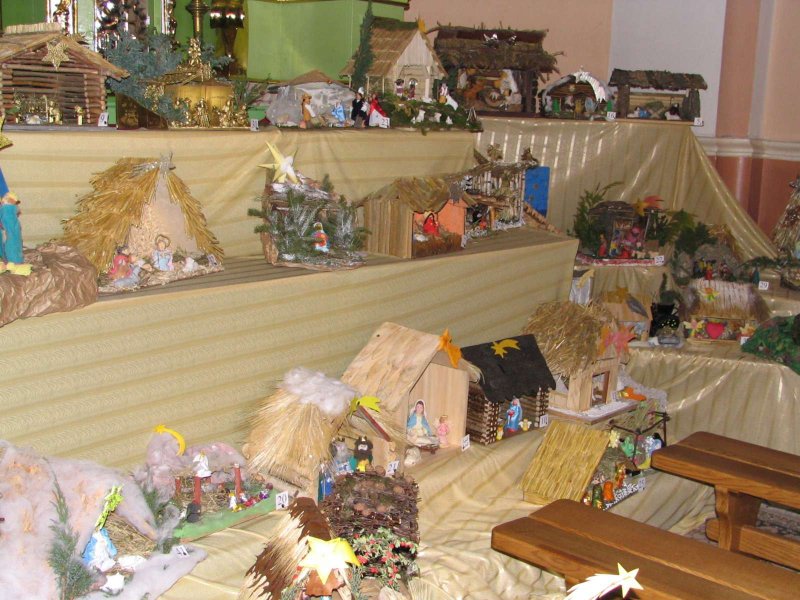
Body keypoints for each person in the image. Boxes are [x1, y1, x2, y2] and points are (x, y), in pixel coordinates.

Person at [0, 192, 23, 264]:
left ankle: (12, 260)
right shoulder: (7, 209)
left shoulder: (7, 208)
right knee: (12, 243)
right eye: (14, 201)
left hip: (10, 231)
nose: (15, 203)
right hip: (10, 232)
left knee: (12, 243)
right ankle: (14, 260)